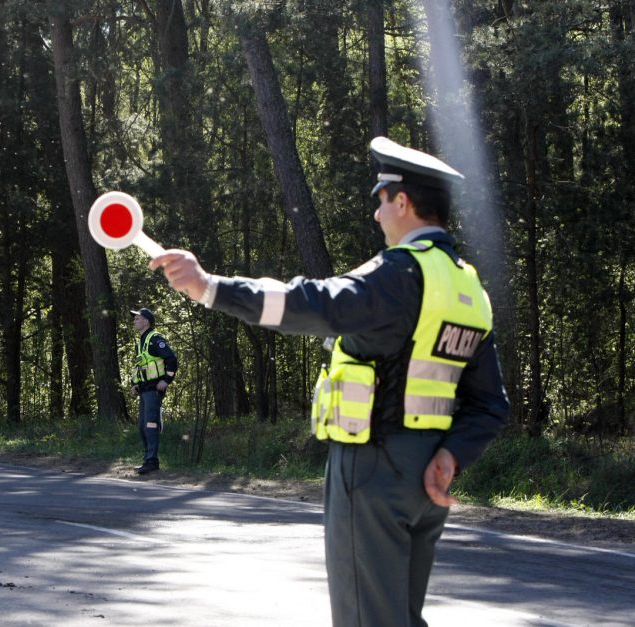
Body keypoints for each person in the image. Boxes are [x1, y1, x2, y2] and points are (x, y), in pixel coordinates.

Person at [150, 137, 510, 626]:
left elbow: (312, 303)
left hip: (374, 466)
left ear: (402, 202)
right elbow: (490, 403)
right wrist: (450, 455)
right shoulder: (469, 287)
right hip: (429, 475)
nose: (377, 216)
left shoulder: (400, 274)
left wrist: (209, 287)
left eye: (380, 201)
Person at [129, 307, 178, 475]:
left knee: (150, 424)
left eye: (137, 318)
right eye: (134, 318)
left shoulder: (155, 339)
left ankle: (152, 461)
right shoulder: (140, 342)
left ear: (146, 321)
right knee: (143, 426)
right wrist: (135, 384)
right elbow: (142, 368)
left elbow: (171, 359)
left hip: (154, 391)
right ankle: (148, 460)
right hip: (144, 390)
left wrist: (166, 380)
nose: (134, 321)